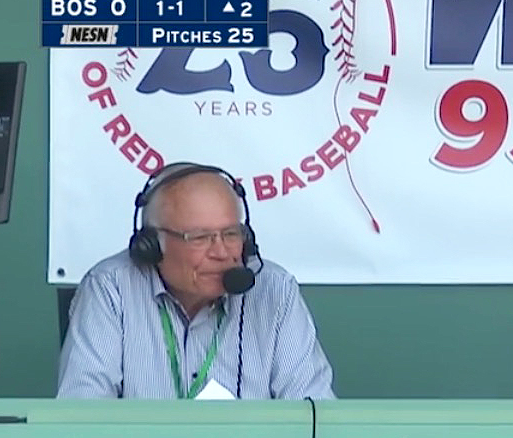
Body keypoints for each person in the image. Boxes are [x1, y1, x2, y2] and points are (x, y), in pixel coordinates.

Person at [58, 162, 336, 400]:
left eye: (231, 234)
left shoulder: (274, 291)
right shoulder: (111, 288)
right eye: (200, 238)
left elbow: (313, 411)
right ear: (152, 244)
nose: (221, 252)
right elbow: (83, 412)